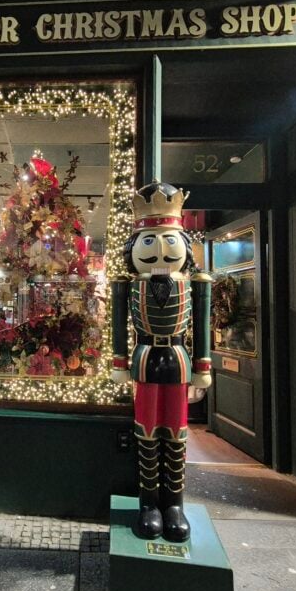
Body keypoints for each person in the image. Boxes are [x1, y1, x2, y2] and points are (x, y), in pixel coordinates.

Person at [111, 182, 212, 543]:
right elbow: (119, 325)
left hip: (178, 361)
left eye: (167, 241)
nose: (158, 252)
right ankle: (148, 504)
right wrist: (120, 360)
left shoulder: (194, 284)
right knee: (146, 432)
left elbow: (201, 325)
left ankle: (175, 504)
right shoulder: (128, 286)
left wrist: (202, 366)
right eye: (149, 241)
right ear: (135, 246)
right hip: (144, 361)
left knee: (177, 433)